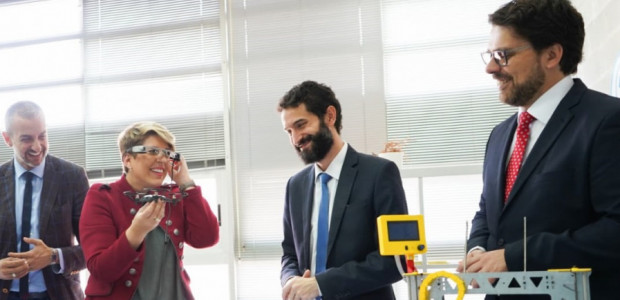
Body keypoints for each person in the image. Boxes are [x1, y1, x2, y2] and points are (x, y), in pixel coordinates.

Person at [457, 0, 620, 299]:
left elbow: (615, 230)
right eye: (491, 55)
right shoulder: (499, 134)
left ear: (552, 55)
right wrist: (478, 250)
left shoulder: (607, 121)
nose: (490, 68)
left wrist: (514, 257)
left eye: (502, 55)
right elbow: (488, 211)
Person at [278, 80, 408, 300]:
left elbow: (396, 260)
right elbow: (290, 253)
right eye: (289, 131)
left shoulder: (379, 173)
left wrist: (321, 284)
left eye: (301, 125)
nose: (295, 139)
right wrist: (291, 280)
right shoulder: (295, 186)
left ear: (330, 116)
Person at [79, 121, 219, 300]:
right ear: (127, 159)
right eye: (153, 151)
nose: (162, 158)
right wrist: (136, 232)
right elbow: (101, 270)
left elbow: (206, 238)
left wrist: (186, 183)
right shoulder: (103, 196)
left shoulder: (175, 195)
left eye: (167, 153)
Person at [0, 101, 89, 300]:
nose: (37, 146)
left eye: (42, 136)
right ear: (7, 139)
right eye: (26, 139)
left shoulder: (72, 176)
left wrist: (53, 256)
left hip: (58, 293)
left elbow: (94, 248)